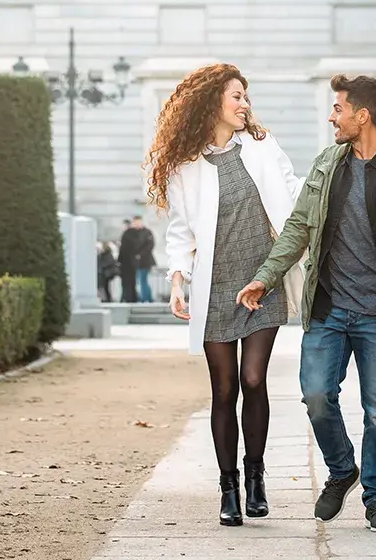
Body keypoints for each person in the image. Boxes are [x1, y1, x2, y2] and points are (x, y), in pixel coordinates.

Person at [237, 74, 376, 535]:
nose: (332, 116)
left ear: (362, 115)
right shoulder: (328, 165)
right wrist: (264, 278)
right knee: (315, 395)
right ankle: (341, 468)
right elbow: (298, 228)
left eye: (338, 109)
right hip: (328, 309)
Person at [152, 64, 305, 528]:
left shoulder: (262, 145)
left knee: (254, 379)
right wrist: (177, 279)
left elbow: (295, 190)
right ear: (212, 102)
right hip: (215, 285)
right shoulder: (185, 165)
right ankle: (229, 487)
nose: (244, 104)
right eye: (236, 96)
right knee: (224, 388)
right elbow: (180, 228)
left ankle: (256, 476)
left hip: (263, 280)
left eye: (246, 96)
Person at [128, 215, 157, 303]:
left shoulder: (147, 232)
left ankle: (146, 298)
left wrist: (140, 254)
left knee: (142, 279)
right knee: (141, 280)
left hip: (145, 261)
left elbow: (150, 245)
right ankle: (146, 297)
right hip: (137, 262)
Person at [117, 218, 140, 302]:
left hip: (126, 262)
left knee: (125, 282)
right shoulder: (136, 234)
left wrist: (119, 260)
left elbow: (123, 250)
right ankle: (133, 297)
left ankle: (126, 297)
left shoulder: (126, 235)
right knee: (132, 281)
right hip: (133, 262)